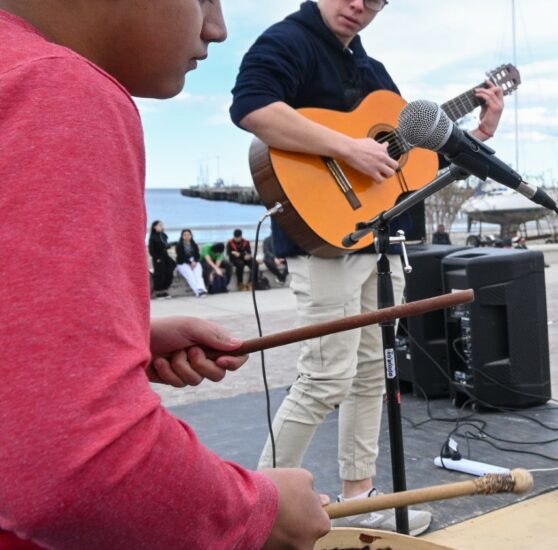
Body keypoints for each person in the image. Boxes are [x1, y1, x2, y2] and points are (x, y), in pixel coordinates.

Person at [0, 2, 332, 548]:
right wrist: (257, 512)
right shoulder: (56, 89)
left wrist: (92, 341)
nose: (217, 28)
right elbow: (78, 468)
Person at [230, 0, 505, 534]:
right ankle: (257, 511)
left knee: (369, 378)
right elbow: (252, 107)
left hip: (379, 242)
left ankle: (362, 497)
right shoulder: (288, 41)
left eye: (376, 0)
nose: (360, 6)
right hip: (324, 242)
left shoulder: (374, 74)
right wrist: (347, 148)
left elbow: (413, 162)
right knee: (324, 377)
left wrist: (483, 136)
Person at [174, 229, 209, 298]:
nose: (187, 236)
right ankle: (198, 292)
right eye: (185, 235)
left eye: (188, 234)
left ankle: (202, 289)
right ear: (182, 236)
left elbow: (197, 255)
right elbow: (181, 256)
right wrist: (190, 263)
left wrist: (195, 261)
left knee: (198, 275)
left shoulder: (194, 244)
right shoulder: (179, 245)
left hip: (194, 262)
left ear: (191, 235)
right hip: (183, 263)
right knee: (190, 276)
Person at [149, 220, 175, 298]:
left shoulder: (163, 235)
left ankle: (164, 289)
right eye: (159, 225)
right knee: (160, 275)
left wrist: (172, 244)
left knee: (169, 272)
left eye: (162, 225)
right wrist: (156, 258)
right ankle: (158, 291)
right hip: (158, 258)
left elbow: (165, 245)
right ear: (154, 227)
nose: (161, 227)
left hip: (165, 256)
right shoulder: (153, 237)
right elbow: (151, 250)